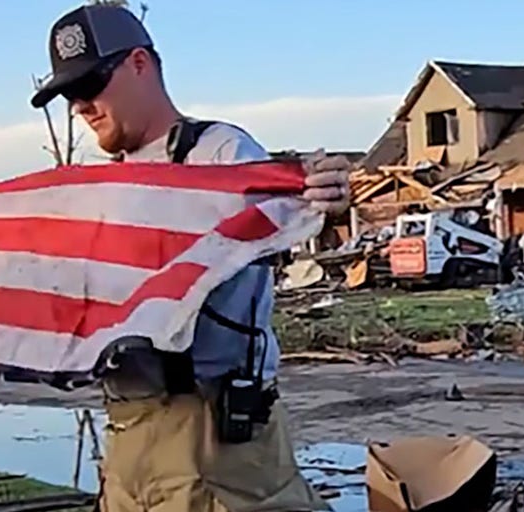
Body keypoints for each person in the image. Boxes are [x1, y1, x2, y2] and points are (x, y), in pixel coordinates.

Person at [30, 4, 350, 512]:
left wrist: (322, 193)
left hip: (214, 442)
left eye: (90, 84)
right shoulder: (102, 186)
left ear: (140, 64)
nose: (80, 106)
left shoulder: (221, 155)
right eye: (69, 94)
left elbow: (292, 205)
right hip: (128, 441)